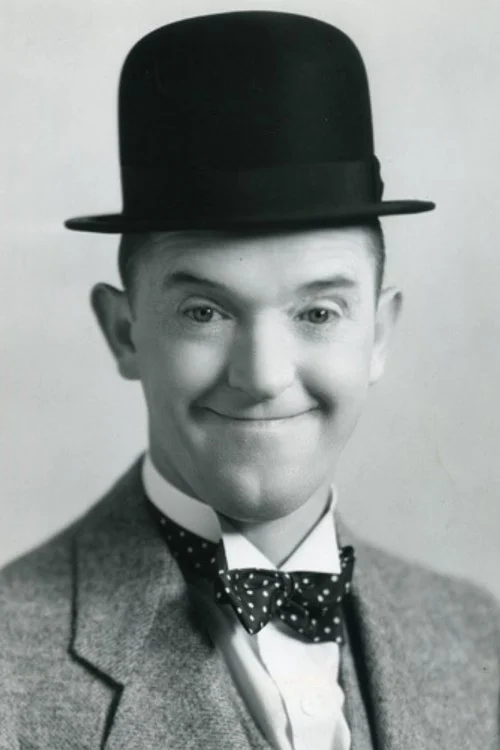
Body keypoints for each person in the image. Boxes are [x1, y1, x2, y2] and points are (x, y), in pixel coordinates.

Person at [0, 10, 498, 750]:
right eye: (204, 312)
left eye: (318, 313)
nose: (263, 376)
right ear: (125, 332)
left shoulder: (480, 637)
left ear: (379, 335)